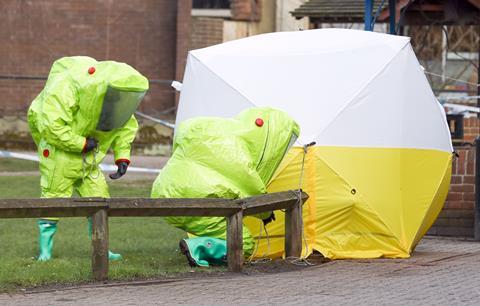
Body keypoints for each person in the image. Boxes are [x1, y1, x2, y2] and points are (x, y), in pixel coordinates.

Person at [27, 56, 149, 261]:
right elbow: (52, 126)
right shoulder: (66, 86)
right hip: (60, 158)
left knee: (100, 200)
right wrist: (80, 143)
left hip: (90, 162)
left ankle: (102, 249)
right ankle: (45, 252)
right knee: (53, 200)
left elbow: (125, 125)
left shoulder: (115, 96)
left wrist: (122, 158)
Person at [151, 107, 299, 267]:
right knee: (244, 243)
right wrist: (266, 214)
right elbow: (252, 190)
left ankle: (206, 248)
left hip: (164, 193)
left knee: (220, 229)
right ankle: (198, 248)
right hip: (200, 200)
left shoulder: (211, 131)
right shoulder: (238, 153)